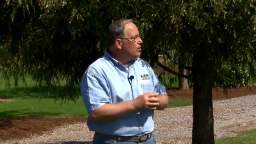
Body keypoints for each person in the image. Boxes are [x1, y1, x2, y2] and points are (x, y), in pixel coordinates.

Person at [80, 19, 169, 144]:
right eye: (134, 38)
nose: (140, 41)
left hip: (148, 140)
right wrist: (135, 105)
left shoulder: (144, 66)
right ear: (119, 43)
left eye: (140, 36)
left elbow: (164, 98)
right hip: (114, 141)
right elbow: (97, 112)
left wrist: (156, 101)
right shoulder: (97, 71)